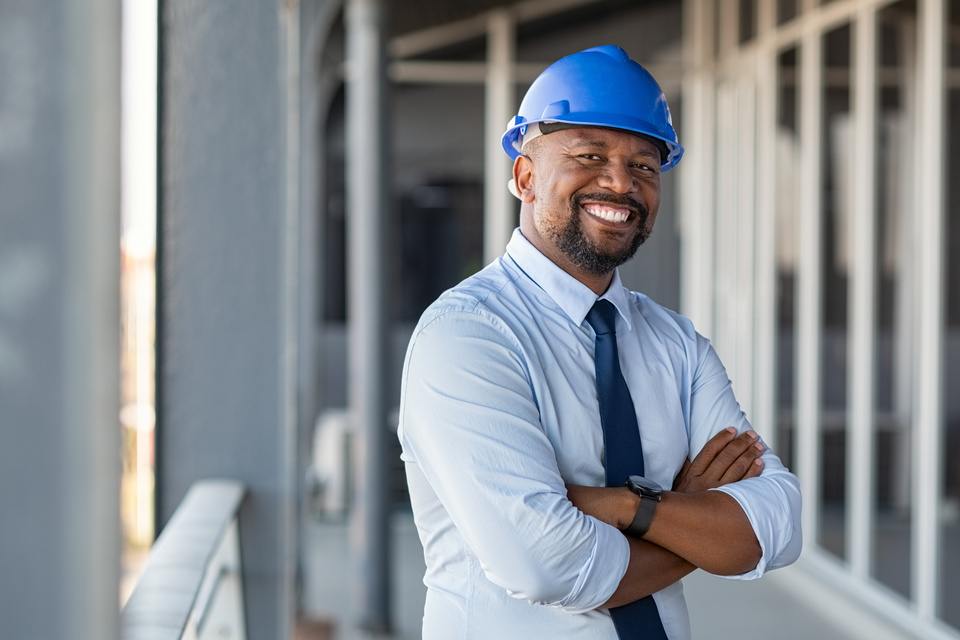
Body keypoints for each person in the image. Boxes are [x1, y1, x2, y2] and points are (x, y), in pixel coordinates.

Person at [397, 45, 802, 640]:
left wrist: (626, 506)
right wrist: (690, 516)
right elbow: (548, 566)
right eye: (590, 155)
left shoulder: (676, 343)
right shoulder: (467, 337)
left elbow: (779, 525)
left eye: (644, 165)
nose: (620, 183)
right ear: (526, 176)